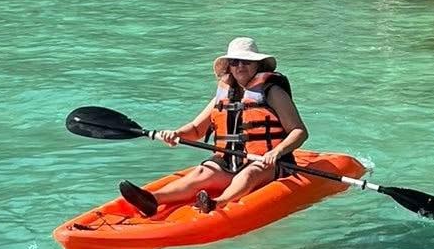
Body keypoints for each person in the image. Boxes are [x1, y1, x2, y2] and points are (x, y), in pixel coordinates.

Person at [119, 37, 308, 217]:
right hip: (230, 162)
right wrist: (176, 134)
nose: (240, 66)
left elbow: (299, 131)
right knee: (202, 172)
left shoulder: (273, 92)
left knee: (249, 174)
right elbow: (196, 130)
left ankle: (217, 203)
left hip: (270, 163)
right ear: (229, 67)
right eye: (234, 62)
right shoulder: (224, 95)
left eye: (246, 61)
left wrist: (276, 152)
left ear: (257, 65)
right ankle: (152, 199)